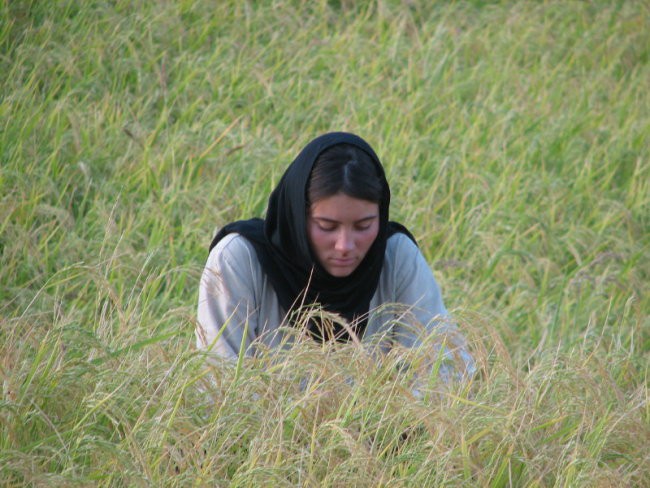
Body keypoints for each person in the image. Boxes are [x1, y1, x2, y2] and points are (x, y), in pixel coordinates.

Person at [197, 132, 474, 382]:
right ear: (297, 217)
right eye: (327, 226)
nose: (345, 245)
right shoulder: (239, 261)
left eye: (364, 226)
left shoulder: (396, 258)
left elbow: (445, 372)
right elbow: (218, 385)